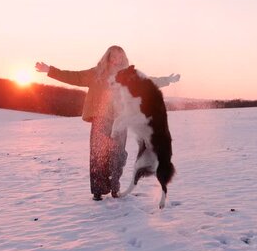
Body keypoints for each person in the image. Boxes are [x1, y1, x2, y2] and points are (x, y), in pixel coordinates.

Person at [35, 46, 180, 201]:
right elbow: (74, 77)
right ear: (108, 57)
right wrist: (49, 70)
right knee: (98, 155)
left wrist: (167, 80)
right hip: (100, 118)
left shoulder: (129, 76)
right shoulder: (96, 73)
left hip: (120, 119)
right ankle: (98, 190)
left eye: (120, 56)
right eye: (114, 55)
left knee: (117, 155)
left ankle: (114, 187)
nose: (117, 59)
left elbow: (148, 82)